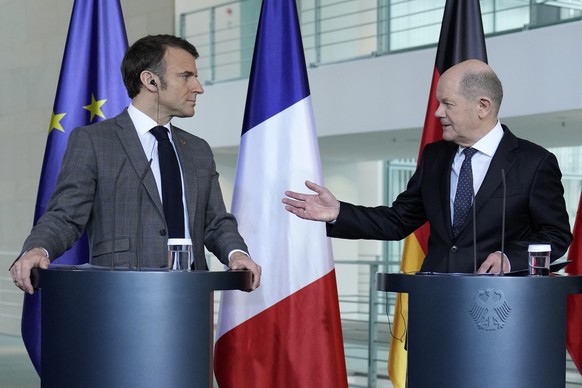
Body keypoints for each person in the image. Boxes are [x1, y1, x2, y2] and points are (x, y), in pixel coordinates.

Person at [10, 34, 261, 293]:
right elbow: (65, 216)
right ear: (150, 80)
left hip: (192, 299)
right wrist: (37, 249)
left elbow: (216, 222)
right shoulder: (93, 141)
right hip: (121, 298)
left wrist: (237, 254)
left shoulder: (198, 150)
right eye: (186, 76)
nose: (198, 87)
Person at [283, 59, 572, 274]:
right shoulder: (435, 156)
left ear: (482, 106)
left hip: (500, 311)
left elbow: (555, 235)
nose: (437, 113)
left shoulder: (535, 163)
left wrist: (510, 258)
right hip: (433, 307)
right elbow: (398, 220)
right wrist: (338, 213)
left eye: (447, 103)